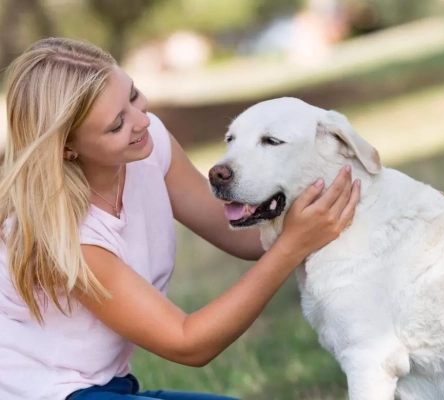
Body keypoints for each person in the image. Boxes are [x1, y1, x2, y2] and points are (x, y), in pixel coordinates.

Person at [0, 37, 361, 400]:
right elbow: (188, 343)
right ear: (67, 148)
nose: (142, 120)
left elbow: (238, 234)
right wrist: (291, 246)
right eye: (116, 125)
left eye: (133, 95)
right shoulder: (69, 234)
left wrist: (320, 210)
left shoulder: (147, 144)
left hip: (107, 384)